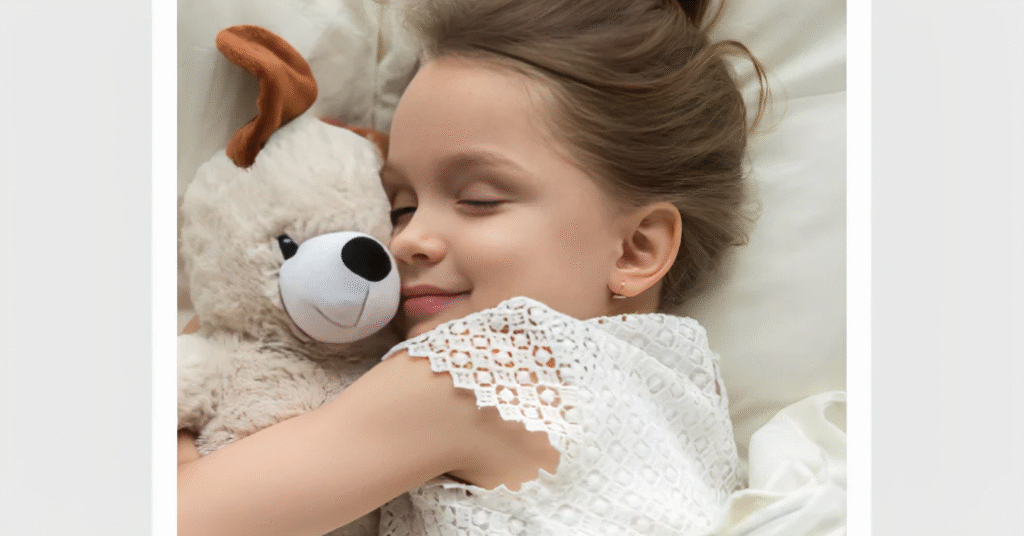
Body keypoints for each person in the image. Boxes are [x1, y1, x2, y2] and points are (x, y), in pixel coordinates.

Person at [177, 0, 769, 534]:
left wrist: (182, 381)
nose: (407, 241)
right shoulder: (691, 394)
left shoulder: (482, 368)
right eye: (399, 207)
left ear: (637, 249)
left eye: (479, 198)